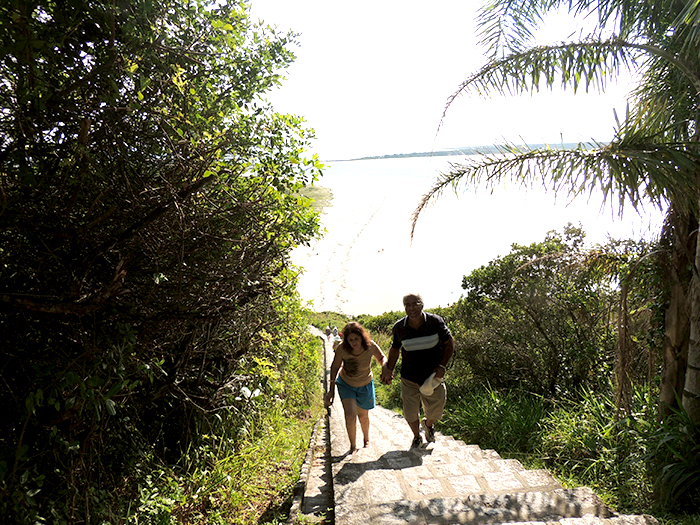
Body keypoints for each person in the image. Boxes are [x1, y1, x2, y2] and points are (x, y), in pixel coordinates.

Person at [380, 293, 454, 448]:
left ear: (422, 305)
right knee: (409, 411)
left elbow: (449, 342)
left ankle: (428, 424)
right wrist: (389, 369)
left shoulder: (435, 322)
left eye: (415, 303)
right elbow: (395, 349)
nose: (411, 308)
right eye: (407, 305)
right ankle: (416, 437)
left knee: (437, 406)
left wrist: (442, 366)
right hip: (409, 376)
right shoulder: (399, 327)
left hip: (433, 375)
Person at [325, 321, 387, 454]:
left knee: (363, 416)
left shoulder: (370, 346)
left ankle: (366, 439)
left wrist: (385, 367)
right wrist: (331, 390)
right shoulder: (342, 349)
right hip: (346, 384)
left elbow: (382, 357)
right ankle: (353, 446)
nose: (354, 342)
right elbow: (335, 367)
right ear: (346, 340)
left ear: (362, 337)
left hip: (365, 384)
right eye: (350, 340)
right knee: (350, 415)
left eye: (356, 339)